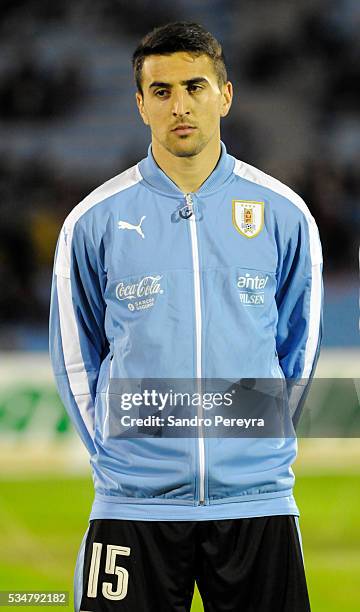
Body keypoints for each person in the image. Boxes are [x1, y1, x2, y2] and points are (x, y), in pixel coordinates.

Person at [49, 21, 323, 612]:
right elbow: (76, 361)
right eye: (163, 91)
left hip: (256, 506)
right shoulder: (93, 220)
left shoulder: (284, 213)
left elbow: (299, 352)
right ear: (140, 104)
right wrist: (125, 464)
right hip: (133, 509)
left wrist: (254, 448)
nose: (181, 105)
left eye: (195, 87)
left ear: (225, 96)